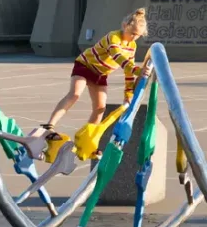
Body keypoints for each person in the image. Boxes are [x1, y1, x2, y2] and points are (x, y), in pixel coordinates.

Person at [41, 8, 147, 149]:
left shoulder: (132, 46)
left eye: (138, 35)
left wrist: (128, 94)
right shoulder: (113, 37)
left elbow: (128, 72)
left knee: (100, 108)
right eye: (132, 33)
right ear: (124, 26)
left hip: (100, 74)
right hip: (85, 66)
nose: (134, 37)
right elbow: (119, 58)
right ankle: (49, 127)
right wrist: (138, 71)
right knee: (75, 94)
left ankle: (88, 141)